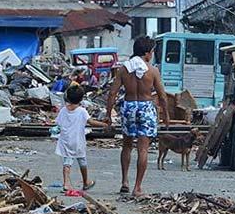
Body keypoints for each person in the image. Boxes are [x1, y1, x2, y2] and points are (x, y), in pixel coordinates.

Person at [105, 36, 170, 196]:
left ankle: (124, 181)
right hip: (146, 106)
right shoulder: (152, 71)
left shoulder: (123, 69)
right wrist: (166, 115)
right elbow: (162, 95)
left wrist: (108, 113)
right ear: (147, 53)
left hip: (129, 106)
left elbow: (113, 92)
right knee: (143, 149)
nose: (153, 54)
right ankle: (137, 187)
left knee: (126, 146)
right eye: (153, 51)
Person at [55, 85, 108, 191]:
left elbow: (58, 124)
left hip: (66, 140)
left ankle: (66, 183)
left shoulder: (63, 110)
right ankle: (86, 182)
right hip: (78, 140)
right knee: (82, 161)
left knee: (67, 162)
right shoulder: (82, 111)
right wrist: (103, 124)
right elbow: (91, 122)